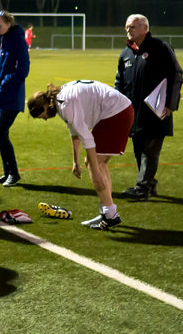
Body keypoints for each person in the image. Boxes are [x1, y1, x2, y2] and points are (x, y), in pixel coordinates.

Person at [28, 81, 134, 229]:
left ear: (45, 107)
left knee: (94, 163)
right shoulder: (58, 100)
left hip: (116, 112)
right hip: (117, 110)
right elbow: (74, 130)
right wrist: (75, 161)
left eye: (42, 115)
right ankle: (108, 211)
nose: (45, 119)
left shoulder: (65, 104)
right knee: (100, 163)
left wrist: (95, 171)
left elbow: (87, 138)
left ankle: (110, 215)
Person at [115, 14, 182, 201]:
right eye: (127, 27)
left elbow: (176, 74)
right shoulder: (125, 54)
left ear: (145, 28)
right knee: (138, 149)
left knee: (150, 151)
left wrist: (171, 104)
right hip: (133, 113)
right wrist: (117, 106)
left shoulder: (161, 48)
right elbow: (119, 82)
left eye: (133, 27)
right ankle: (149, 185)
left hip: (156, 110)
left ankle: (142, 189)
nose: (129, 30)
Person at [0, 11, 30, 187]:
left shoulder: (18, 41)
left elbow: (22, 71)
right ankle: (6, 173)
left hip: (10, 96)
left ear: (8, 24)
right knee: (1, 136)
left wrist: (3, 84)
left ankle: (14, 173)